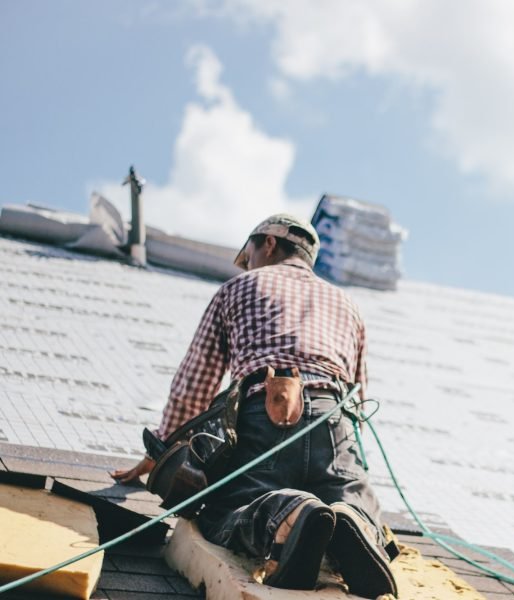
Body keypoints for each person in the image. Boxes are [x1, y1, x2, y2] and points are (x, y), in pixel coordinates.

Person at [112, 214, 397, 597]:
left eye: (247, 254)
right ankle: (355, 521)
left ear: (268, 244)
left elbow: (194, 383)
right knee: (347, 498)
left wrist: (162, 450)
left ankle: (289, 515)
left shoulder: (240, 287)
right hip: (335, 420)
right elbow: (360, 394)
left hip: (263, 413)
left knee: (229, 508)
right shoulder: (347, 304)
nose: (246, 263)